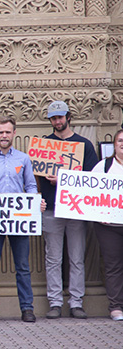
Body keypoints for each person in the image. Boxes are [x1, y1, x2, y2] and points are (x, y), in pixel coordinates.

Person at [0, 116, 46, 323]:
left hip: (19, 219)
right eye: (0, 132)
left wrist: (35, 203)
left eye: (7, 132)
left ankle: (27, 309)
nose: (4, 135)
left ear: (14, 133)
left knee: (22, 266)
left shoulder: (23, 159)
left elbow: (30, 186)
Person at [39, 101, 98, 320]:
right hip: (51, 209)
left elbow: (92, 179)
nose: (57, 121)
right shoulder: (44, 145)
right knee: (53, 258)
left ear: (68, 117)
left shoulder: (84, 145)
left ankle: (76, 303)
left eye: (60, 117)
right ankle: (55, 303)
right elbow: (33, 176)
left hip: (76, 210)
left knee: (76, 258)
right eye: (53, 118)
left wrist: (62, 180)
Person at [91, 128, 123, 321]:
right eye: (120, 140)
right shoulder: (103, 166)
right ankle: (116, 306)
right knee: (113, 266)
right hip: (109, 226)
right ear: (114, 144)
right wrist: (98, 213)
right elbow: (90, 195)